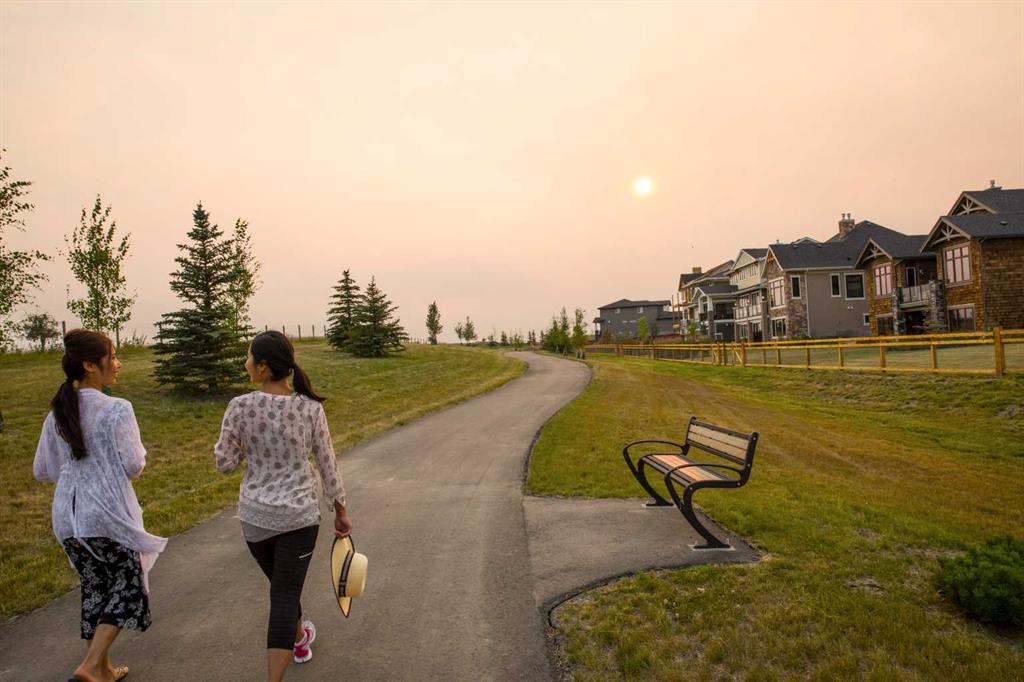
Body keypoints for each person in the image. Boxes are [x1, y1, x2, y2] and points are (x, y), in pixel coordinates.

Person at [215, 330, 351, 682]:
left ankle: (300, 638)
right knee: (285, 593)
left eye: (248, 357)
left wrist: (242, 444)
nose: (245, 362)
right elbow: (327, 462)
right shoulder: (310, 409)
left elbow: (225, 464)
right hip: (299, 517)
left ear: (262, 367)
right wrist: (340, 510)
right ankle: (291, 648)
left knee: (282, 589)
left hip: (256, 519)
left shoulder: (239, 407)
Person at [33, 329, 167, 682]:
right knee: (129, 588)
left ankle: (104, 670)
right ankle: (90, 666)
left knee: (97, 589)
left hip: (67, 519)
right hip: (106, 516)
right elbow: (134, 465)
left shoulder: (57, 413)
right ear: (90, 365)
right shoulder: (117, 409)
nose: (118, 364)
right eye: (113, 356)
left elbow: (42, 470)